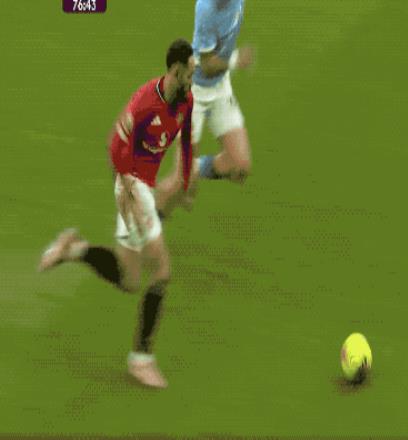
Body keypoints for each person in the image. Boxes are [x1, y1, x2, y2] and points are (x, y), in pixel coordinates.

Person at [38, 39, 195, 389]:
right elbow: (115, 147)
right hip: (130, 185)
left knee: (129, 279)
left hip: (144, 187)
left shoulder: (186, 99)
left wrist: (184, 183)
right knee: (162, 270)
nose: (193, 77)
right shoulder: (145, 102)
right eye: (190, 72)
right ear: (175, 70)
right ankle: (141, 359)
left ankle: (73, 249)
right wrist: (127, 193)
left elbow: (185, 141)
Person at [155, 0, 254, 218]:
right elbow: (208, 66)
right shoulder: (207, 8)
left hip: (220, 87)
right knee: (179, 183)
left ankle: (192, 169)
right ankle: (145, 228)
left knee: (239, 165)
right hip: (194, 94)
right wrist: (236, 60)